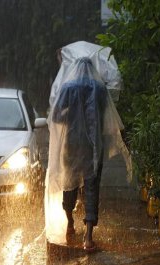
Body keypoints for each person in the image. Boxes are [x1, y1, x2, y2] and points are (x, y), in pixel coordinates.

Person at [49, 57, 107, 251]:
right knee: (91, 186)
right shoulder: (99, 89)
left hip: (72, 143)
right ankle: (88, 238)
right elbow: (103, 115)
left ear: (75, 70)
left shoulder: (68, 87)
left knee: (70, 183)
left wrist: (73, 115)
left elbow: (55, 116)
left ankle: (70, 223)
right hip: (93, 144)